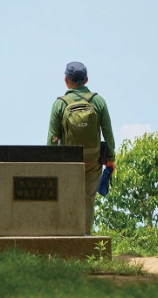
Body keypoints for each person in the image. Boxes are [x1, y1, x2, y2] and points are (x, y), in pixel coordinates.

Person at [47, 61, 116, 234]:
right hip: (93, 160)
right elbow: (108, 133)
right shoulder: (98, 101)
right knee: (87, 199)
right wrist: (111, 159)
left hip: (68, 160)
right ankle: (85, 237)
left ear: (66, 80)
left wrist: (49, 162)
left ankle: (66, 237)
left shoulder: (60, 104)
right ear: (86, 80)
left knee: (66, 198)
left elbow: (52, 138)